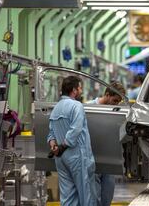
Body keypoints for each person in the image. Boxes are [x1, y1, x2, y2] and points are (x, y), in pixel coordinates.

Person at [47, 76, 96, 206]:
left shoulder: (56, 108)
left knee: (67, 197)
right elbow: (75, 130)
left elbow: (50, 134)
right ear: (74, 90)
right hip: (77, 157)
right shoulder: (77, 106)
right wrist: (62, 146)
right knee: (86, 194)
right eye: (80, 88)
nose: (81, 91)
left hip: (60, 158)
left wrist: (54, 146)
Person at [86, 82, 126, 206]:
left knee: (107, 196)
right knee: (94, 197)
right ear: (107, 95)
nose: (116, 104)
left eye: (118, 102)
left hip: (109, 160)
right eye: (115, 100)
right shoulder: (87, 108)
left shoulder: (115, 110)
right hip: (93, 159)